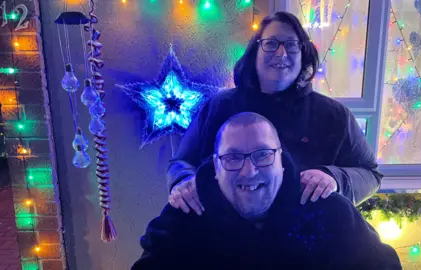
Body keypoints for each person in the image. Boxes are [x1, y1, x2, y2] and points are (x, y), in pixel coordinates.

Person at [167, 11, 382, 216]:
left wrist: (336, 179)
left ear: (303, 54)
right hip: (224, 239)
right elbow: (182, 162)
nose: (281, 53)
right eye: (271, 44)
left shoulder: (334, 116)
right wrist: (183, 181)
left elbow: (370, 174)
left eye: (291, 45)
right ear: (255, 52)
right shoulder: (219, 106)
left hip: (306, 243)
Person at [133, 112, 401, 269]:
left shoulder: (327, 211)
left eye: (262, 155)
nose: (248, 171)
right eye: (233, 158)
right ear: (215, 166)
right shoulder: (184, 218)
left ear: (281, 161)